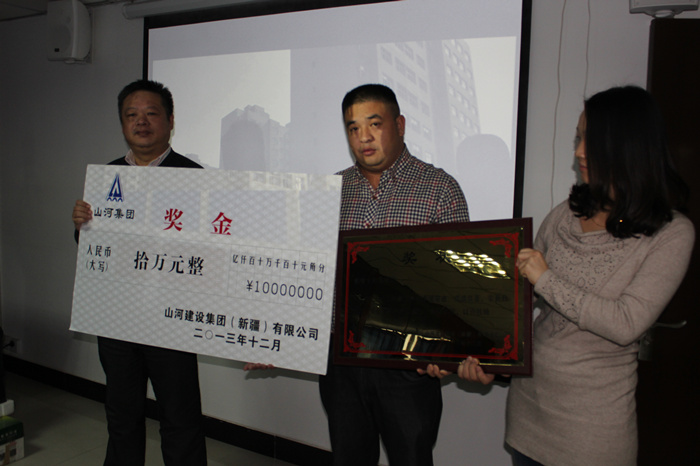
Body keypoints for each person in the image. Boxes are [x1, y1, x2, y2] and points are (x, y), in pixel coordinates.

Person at [452, 86, 694, 466]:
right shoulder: (567, 212)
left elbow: (626, 323)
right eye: (578, 138)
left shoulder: (671, 233)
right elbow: (517, 304)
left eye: (592, 141)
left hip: (591, 435)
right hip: (528, 416)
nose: (580, 152)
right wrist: (491, 363)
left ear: (630, 148)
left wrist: (546, 279)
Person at [320, 84, 469, 465]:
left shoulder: (440, 190)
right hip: (341, 361)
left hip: (408, 364)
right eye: (353, 128)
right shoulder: (329, 191)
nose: (363, 137)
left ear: (399, 125)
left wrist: (445, 349)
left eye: (374, 124)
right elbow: (308, 273)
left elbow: (459, 287)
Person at [71, 79, 207, 466]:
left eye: (151, 113)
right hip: (117, 320)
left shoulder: (196, 177)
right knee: (122, 416)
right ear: (122, 123)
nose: (141, 122)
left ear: (170, 120)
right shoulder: (106, 177)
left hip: (172, 321)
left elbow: (213, 251)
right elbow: (94, 249)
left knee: (180, 419)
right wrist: (82, 226)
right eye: (132, 115)